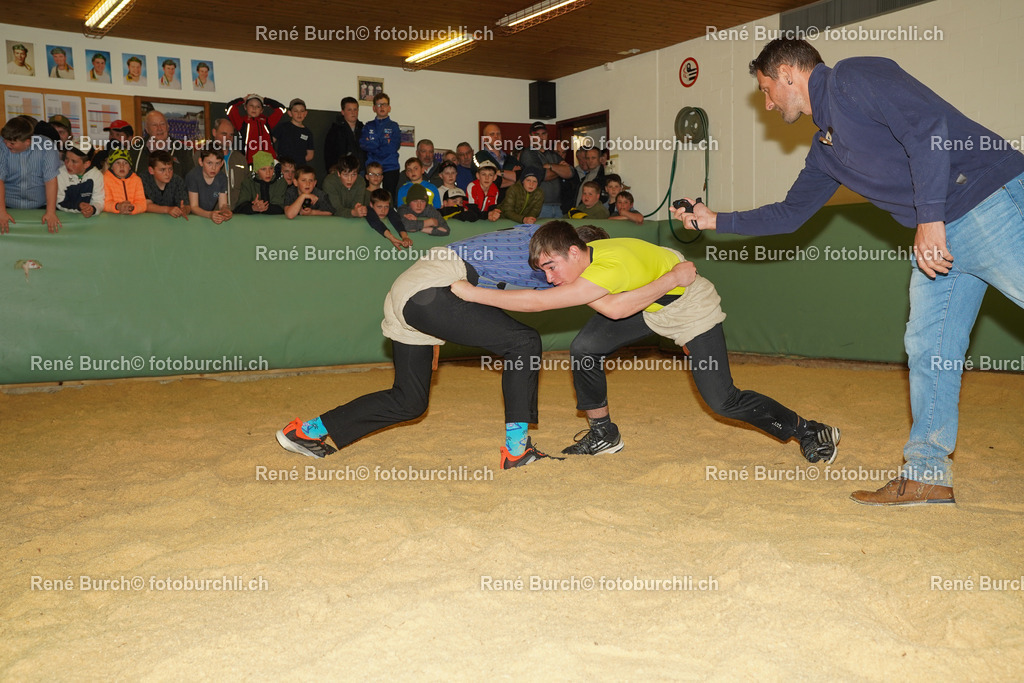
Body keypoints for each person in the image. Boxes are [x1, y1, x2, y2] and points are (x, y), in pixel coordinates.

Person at [673, 39, 1024, 506]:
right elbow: (790, 215)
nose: (767, 102)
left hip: (985, 200)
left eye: (765, 89)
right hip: (941, 236)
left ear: (788, 75)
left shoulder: (855, 77)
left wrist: (930, 217)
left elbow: (929, 130)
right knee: (929, 347)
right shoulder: (827, 151)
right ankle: (926, 474)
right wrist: (715, 220)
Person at [276, 221, 690, 469]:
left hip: (414, 292)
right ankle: (517, 450)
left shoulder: (546, 249)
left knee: (408, 401)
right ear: (575, 248)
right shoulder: (548, 252)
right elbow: (601, 304)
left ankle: (306, 431)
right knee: (524, 341)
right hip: (435, 285)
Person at [451, 221, 842, 463]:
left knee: (722, 399)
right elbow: (610, 303)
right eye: (543, 270)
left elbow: (576, 305)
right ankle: (604, 434)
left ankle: (809, 429)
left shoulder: (609, 263)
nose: (549, 277)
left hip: (689, 308)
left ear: (574, 251)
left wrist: (471, 294)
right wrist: (668, 277)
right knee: (585, 348)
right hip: (650, 304)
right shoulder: (588, 253)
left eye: (552, 267)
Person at [0, 116, 62, 233]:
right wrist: (1, 212)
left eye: (12, 143)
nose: (7, 144)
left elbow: (50, 180)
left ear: (27, 142)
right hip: (8, 206)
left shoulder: (46, 145)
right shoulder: (1, 145)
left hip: (39, 207)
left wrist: (50, 212)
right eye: (5, 141)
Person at [519, 122, 572, 219]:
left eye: (543, 134)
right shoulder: (528, 153)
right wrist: (560, 170)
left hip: (558, 206)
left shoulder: (552, 155)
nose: (540, 137)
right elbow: (542, 175)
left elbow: (570, 172)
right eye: (536, 134)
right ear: (530, 137)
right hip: (538, 206)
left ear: (547, 135)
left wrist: (550, 166)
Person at [359, 92, 401, 198]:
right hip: (372, 167)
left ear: (389, 108)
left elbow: (393, 147)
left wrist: (375, 144)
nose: (382, 107)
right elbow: (363, 144)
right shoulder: (368, 126)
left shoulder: (394, 126)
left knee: (389, 198)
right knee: (367, 196)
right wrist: (382, 142)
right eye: (378, 105)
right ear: (374, 108)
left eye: (384, 104)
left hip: (390, 166)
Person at [133, 110, 195, 179]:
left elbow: (192, 181)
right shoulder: (135, 151)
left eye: (162, 124)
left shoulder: (183, 151)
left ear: (168, 126)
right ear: (147, 130)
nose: (159, 128)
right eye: (154, 125)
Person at [226, 93, 286, 164]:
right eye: (251, 105)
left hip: (270, 162)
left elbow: (282, 109)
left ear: (262, 110)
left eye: (258, 107)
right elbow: (229, 107)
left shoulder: (266, 122)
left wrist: (264, 100)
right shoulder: (242, 122)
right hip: (251, 162)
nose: (254, 108)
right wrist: (243, 99)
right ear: (245, 107)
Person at [206, 118, 247, 209]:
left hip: (237, 215)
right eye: (224, 134)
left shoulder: (240, 158)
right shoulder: (202, 156)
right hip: (210, 215)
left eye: (231, 135)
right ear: (214, 132)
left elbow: (247, 187)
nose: (228, 138)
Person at [56, 140, 103, 217]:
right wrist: (78, 206)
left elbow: (99, 200)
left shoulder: (96, 175)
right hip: (65, 217)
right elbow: (59, 201)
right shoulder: (60, 173)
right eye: (66, 159)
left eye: (74, 161)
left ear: (86, 164)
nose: (68, 164)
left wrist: (92, 209)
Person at [475, 123, 521, 201]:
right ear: (485, 139)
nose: (496, 137)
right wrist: (513, 178)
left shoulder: (511, 158)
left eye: (498, 134)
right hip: (489, 206)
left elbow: (522, 177)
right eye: (492, 134)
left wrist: (499, 172)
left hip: (512, 204)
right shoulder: (479, 157)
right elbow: (492, 182)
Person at [186, 149, 232, 223]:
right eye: (209, 163)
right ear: (201, 162)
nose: (213, 168)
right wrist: (210, 215)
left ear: (222, 163)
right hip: (188, 217)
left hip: (206, 216)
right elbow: (194, 207)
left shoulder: (222, 177)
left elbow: (223, 204)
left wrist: (225, 211)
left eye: (217, 163)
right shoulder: (193, 176)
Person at [234, 151, 286, 215]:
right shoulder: (248, 182)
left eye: (271, 168)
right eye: (263, 169)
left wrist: (262, 207)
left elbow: (280, 208)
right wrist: (253, 207)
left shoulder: (280, 182)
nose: (268, 173)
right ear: (256, 171)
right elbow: (239, 208)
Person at [143, 150, 190, 218]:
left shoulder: (177, 181)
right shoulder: (144, 179)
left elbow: (187, 206)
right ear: (151, 170)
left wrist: (184, 210)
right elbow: (147, 206)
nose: (167, 174)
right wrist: (167, 210)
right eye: (162, 170)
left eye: (170, 169)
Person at [323, 96, 364, 172]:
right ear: (342, 112)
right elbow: (328, 153)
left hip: (360, 171)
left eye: (355, 109)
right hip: (342, 171)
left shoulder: (363, 129)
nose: (353, 112)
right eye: (349, 110)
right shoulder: (335, 130)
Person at [103, 148, 146, 215]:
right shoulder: (105, 179)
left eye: (125, 163)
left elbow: (142, 204)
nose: (122, 166)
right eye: (117, 163)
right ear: (111, 167)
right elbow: (104, 203)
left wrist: (132, 208)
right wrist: (118, 207)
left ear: (129, 167)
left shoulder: (137, 180)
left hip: (133, 218)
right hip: (112, 218)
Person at [273, 98, 314, 164]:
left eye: (302, 111)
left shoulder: (307, 132)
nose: (299, 114)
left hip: (299, 167)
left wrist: (299, 161)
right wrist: (276, 157)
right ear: (290, 113)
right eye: (295, 111)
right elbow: (270, 142)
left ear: (306, 113)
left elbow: (310, 155)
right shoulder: (282, 127)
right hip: (283, 165)